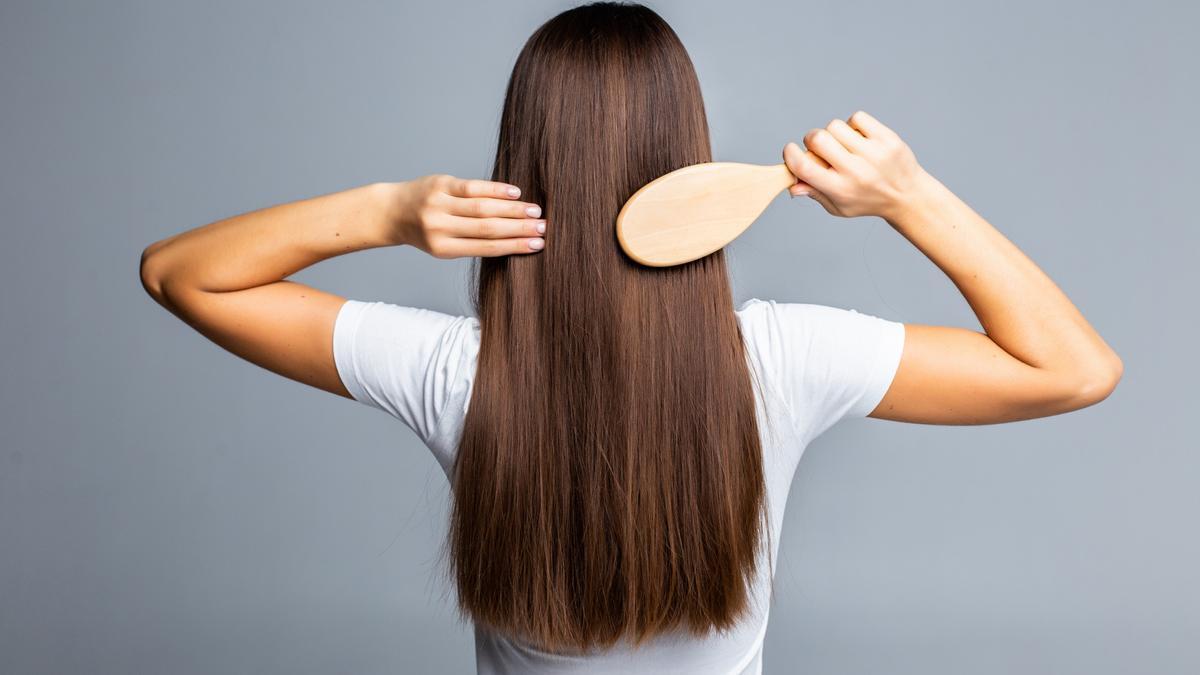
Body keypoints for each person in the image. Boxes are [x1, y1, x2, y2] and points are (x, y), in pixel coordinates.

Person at [138, 2, 1122, 673]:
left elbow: (179, 275)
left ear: (522, 162)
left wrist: (389, 210)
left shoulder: (459, 376)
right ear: (683, 152)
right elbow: (1074, 371)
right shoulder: (779, 362)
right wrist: (911, 196)